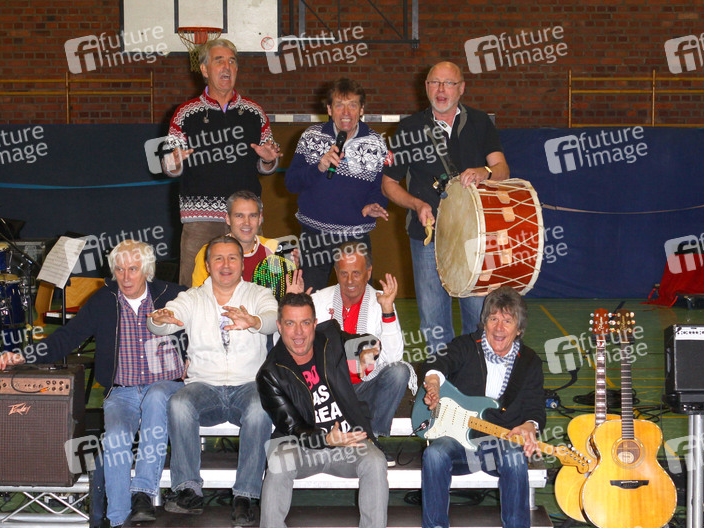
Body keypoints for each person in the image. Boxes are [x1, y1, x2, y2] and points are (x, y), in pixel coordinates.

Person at [0, 240, 186, 528]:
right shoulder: (103, 301)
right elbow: (66, 338)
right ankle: (118, 524)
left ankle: (142, 493)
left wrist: (193, 357)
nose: (125, 276)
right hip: (122, 390)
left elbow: (204, 325)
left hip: (165, 386)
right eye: (119, 269)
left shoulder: (173, 295)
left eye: (133, 269)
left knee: (155, 399)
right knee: (116, 439)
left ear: (147, 270)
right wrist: (22, 356)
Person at [246, 293, 393, 528]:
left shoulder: (331, 338)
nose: (298, 332)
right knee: (278, 462)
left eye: (305, 323)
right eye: (290, 324)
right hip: (302, 444)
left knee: (375, 462)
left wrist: (368, 347)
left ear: (315, 323)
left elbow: (368, 344)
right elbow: (294, 428)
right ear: (279, 326)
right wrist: (327, 439)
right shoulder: (270, 374)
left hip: (348, 439)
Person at [413, 286, 543, 528]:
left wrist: (529, 425)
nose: (499, 327)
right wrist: (433, 383)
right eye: (493, 319)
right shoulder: (464, 346)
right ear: (484, 323)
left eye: (507, 321)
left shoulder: (530, 361)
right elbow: (435, 364)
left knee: (514, 457)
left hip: (498, 443)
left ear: (519, 329)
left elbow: (536, 408)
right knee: (434, 454)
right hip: (459, 442)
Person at [381, 61, 509, 355]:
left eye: (448, 83)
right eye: (434, 83)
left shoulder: (480, 122)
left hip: (475, 238)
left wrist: (485, 172)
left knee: (479, 317)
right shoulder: (409, 128)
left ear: (461, 88)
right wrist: (416, 204)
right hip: (427, 237)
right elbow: (388, 184)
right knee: (433, 320)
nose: (441, 90)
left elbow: (502, 169)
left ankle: (474, 375)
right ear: (426, 87)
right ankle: (440, 378)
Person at [147, 236, 276, 527]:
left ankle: (246, 496)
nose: (225, 264)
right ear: (207, 265)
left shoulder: (258, 293)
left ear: (242, 263)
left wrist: (254, 322)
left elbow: (272, 318)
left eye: (232, 258)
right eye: (218, 258)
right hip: (204, 386)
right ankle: (188, 490)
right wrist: (159, 320)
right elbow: (164, 322)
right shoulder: (192, 297)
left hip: (248, 385)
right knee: (179, 403)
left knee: (260, 408)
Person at [161, 38, 282, 287]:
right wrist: (173, 161)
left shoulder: (255, 113)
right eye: (219, 61)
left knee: (253, 288)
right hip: (200, 219)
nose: (227, 67)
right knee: (192, 290)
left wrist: (268, 160)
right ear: (204, 70)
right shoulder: (184, 113)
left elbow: (267, 166)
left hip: (245, 219)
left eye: (232, 61)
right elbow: (169, 166)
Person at [292, 241, 415, 451]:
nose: (349, 281)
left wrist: (387, 311)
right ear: (336, 272)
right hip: (328, 390)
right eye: (344, 273)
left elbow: (394, 358)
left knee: (399, 372)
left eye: (356, 273)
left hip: (364, 388)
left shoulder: (381, 301)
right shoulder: (317, 301)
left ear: (368, 272)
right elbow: (290, 346)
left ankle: (370, 438)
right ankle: (326, 434)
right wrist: (291, 304)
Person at [285, 78, 390, 290]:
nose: (346, 112)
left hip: (355, 236)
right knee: (310, 299)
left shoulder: (377, 143)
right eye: (339, 105)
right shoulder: (310, 137)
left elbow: (381, 187)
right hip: (314, 237)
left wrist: (375, 203)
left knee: (359, 298)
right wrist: (319, 167)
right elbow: (291, 183)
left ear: (362, 109)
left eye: (353, 105)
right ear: (329, 109)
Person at [190, 190, 278, 286]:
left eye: (253, 216)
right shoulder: (209, 251)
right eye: (239, 216)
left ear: (260, 219)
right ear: (228, 219)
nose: (247, 223)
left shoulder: (276, 248)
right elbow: (198, 292)